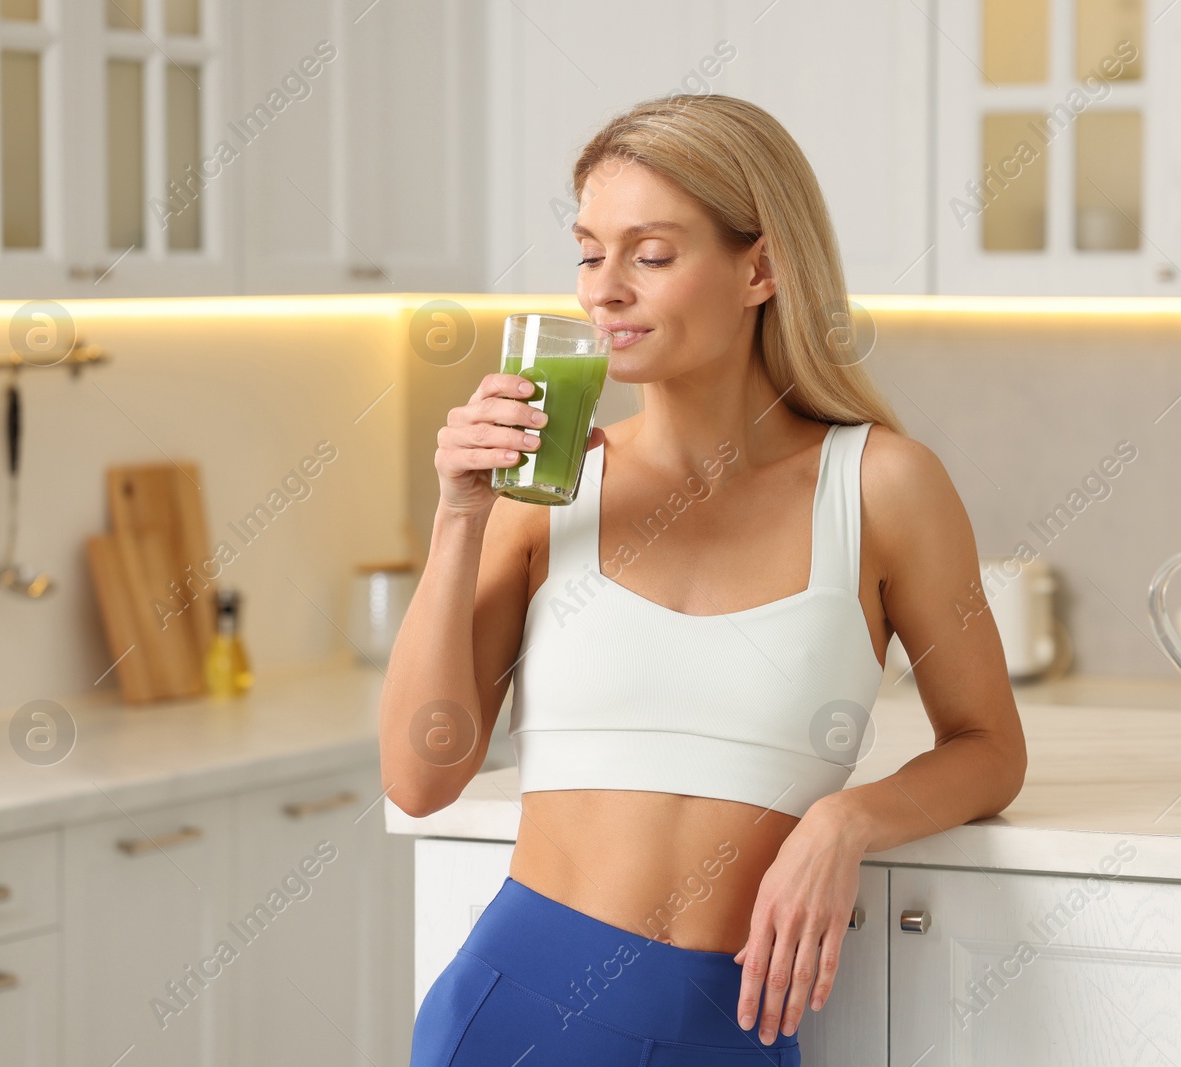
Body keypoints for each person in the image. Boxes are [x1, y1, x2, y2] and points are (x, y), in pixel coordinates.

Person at [385, 92, 1027, 1066]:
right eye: (589, 251)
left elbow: (988, 748)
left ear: (759, 268)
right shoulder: (549, 486)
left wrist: (845, 818)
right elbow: (420, 776)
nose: (604, 289)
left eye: (649, 253)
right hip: (509, 1011)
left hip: (725, 1027)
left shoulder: (882, 486)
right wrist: (458, 514)